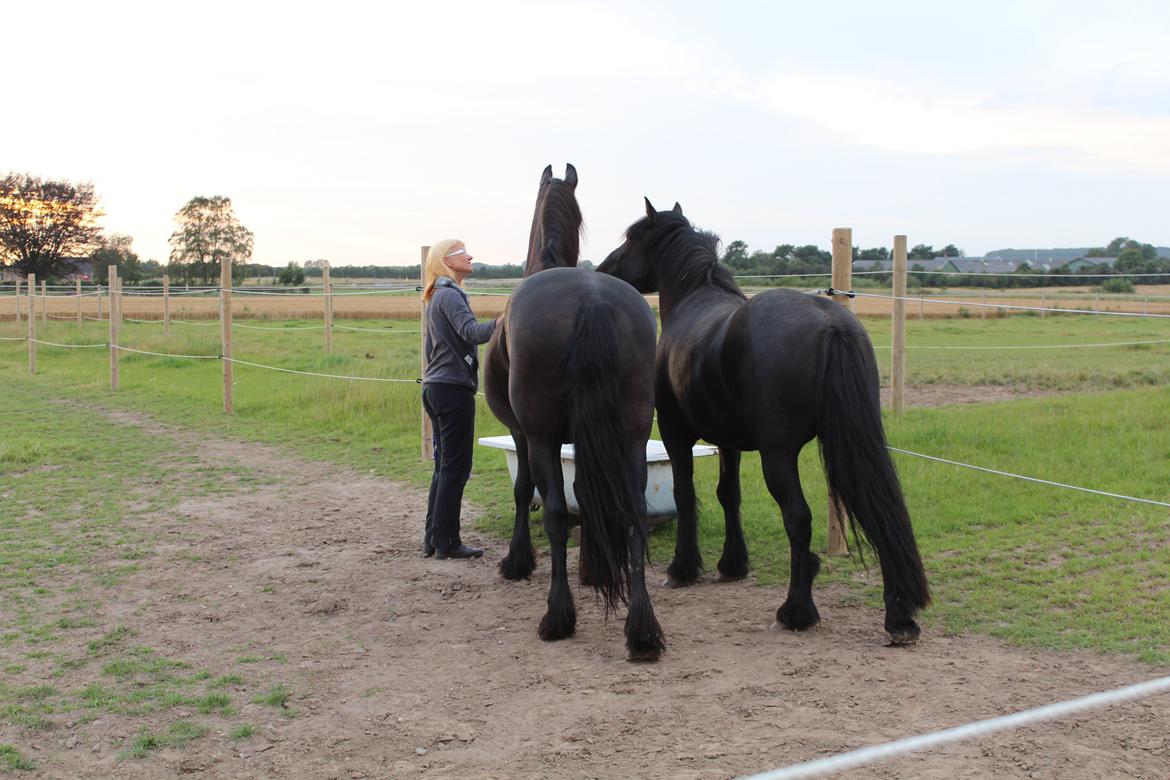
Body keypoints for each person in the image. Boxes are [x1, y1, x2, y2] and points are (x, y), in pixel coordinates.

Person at [420, 239, 501, 560]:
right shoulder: (450, 295)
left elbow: (431, 348)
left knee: (444, 467)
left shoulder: (436, 295)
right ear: (448, 261)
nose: (470, 255)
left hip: (436, 387)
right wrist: (504, 320)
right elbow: (473, 333)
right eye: (462, 252)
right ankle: (447, 542)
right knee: (457, 468)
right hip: (453, 390)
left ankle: (434, 538)